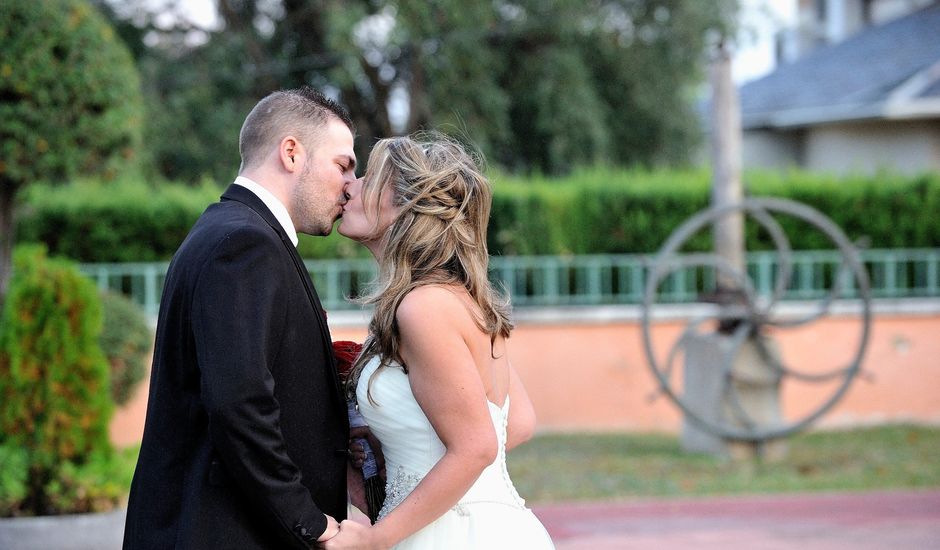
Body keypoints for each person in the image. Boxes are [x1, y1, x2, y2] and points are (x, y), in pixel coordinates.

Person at [123, 87, 358, 549]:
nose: (351, 184)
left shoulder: (228, 230)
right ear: (292, 152)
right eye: (343, 165)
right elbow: (240, 405)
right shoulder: (244, 244)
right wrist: (309, 522)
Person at [327, 135, 555, 549]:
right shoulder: (460, 298)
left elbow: (477, 445)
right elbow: (516, 422)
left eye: (368, 177)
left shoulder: (422, 307)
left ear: (404, 206)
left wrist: (378, 540)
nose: (350, 185)